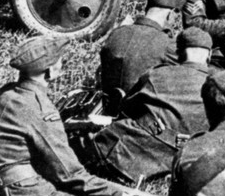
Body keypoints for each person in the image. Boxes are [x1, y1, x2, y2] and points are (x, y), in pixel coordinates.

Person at [0, 34, 167, 196]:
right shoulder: (39, 108)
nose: (61, 64)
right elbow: (72, 176)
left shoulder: (1, 97)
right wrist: (128, 194)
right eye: (58, 61)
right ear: (49, 72)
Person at [75, 27, 216, 185]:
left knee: (77, 146)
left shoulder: (156, 74)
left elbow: (126, 109)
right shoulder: (219, 88)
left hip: (125, 158)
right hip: (184, 165)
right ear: (209, 55)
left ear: (178, 53)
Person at [94, 0, 182, 114]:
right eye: (175, 19)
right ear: (171, 14)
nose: (173, 23)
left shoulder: (116, 34)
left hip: (108, 110)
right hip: (142, 117)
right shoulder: (167, 44)